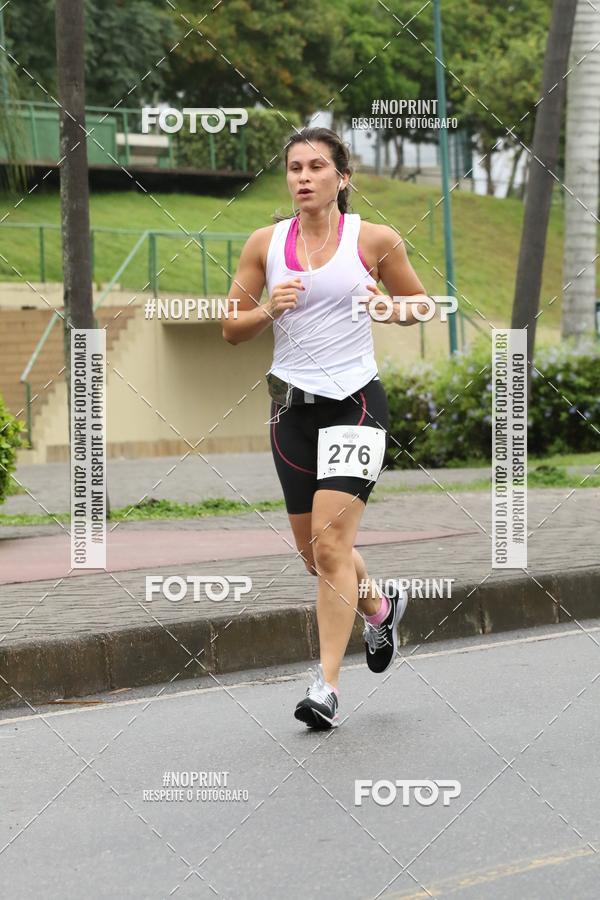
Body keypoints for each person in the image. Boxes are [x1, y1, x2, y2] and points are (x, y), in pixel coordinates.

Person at [222, 126, 430, 729]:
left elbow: (422, 304)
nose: (304, 177)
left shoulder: (375, 239)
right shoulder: (265, 244)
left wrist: (389, 308)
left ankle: (327, 687)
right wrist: (269, 308)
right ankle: (378, 608)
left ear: (342, 177)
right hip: (291, 410)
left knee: (334, 544)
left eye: (317, 166)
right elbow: (231, 328)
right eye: (294, 168)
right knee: (315, 555)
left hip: (355, 404)